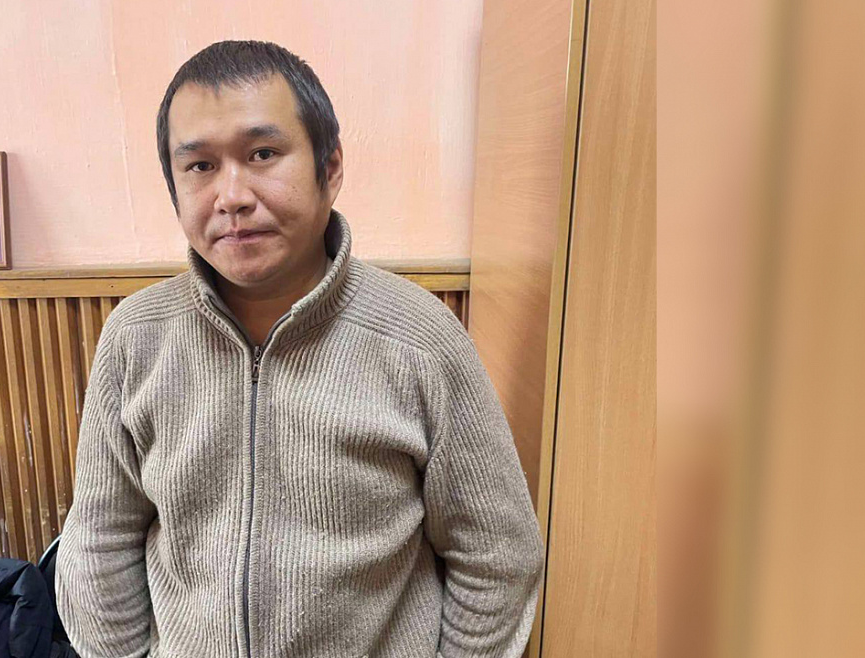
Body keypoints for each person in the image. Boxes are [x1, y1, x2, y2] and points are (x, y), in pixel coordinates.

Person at [55, 40, 544, 658]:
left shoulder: (421, 340)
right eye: (200, 166)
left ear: (329, 168)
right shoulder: (135, 337)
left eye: (262, 154)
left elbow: (497, 555)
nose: (231, 196)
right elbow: (99, 541)